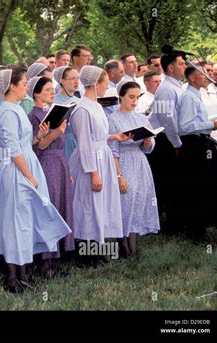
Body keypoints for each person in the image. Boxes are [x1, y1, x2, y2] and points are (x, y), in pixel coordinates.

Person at [0, 69, 71, 292]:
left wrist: (39, 137)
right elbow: (13, 150)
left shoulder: (15, 110)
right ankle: (14, 278)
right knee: (16, 223)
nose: (26, 86)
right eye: (23, 83)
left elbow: (24, 143)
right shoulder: (8, 112)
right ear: (12, 86)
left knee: (24, 222)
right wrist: (30, 175)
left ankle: (23, 274)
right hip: (17, 171)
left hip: (25, 166)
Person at [69, 65, 130, 265]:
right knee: (89, 205)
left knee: (101, 205)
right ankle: (86, 253)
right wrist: (93, 172)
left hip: (102, 157)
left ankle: (98, 247)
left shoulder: (95, 105)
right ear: (95, 84)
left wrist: (114, 137)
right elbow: (85, 143)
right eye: (104, 84)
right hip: (90, 162)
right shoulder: (82, 109)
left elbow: (98, 136)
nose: (106, 88)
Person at [27, 76, 74, 276]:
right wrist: (56, 132)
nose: (51, 92)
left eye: (52, 89)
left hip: (60, 161)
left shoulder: (54, 111)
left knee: (61, 205)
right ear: (36, 93)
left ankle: (56, 257)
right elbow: (39, 145)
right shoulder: (33, 116)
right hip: (46, 162)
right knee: (50, 208)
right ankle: (44, 262)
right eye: (47, 90)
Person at [108, 81, 160, 259]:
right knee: (126, 202)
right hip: (123, 161)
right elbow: (113, 150)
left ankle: (134, 247)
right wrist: (119, 175)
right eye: (131, 97)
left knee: (138, 202)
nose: (134, 101)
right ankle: (123, 247)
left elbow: (148, 148)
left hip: (140, 162)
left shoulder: (141, 118)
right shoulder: (113, 119)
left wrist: (147, 141)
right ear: (121, 96)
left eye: (137, 97)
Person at [177, 66, 217, 240]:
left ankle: (201, 227)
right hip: (193, 144)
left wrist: (212, 123)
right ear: (192, 78)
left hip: (201, 142)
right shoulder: (189, 97)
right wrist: (211, 125)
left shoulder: (197, 94)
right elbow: (184, 127)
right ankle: (195, 232)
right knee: (196, 187)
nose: (208, 77)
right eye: (203, 75)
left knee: (204, 186)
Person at [147, 51, 186, 232]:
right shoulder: (166, 89)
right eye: (181, 64)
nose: (184, 67)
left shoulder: (177, 86)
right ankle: (168, 224)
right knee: (167, 183)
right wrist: (177, 144)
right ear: (170, 67)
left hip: (173, 138)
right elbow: (167, 120)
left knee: (176, 183)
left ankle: (176, 219)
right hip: (165, 139)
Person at [53, 66, 81, 158]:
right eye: (72, 78)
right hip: (62, 143)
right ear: (62, 81)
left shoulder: (80, 101)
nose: (76, 82)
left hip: (79, 142)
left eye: (78, 78)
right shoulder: (53, 101)